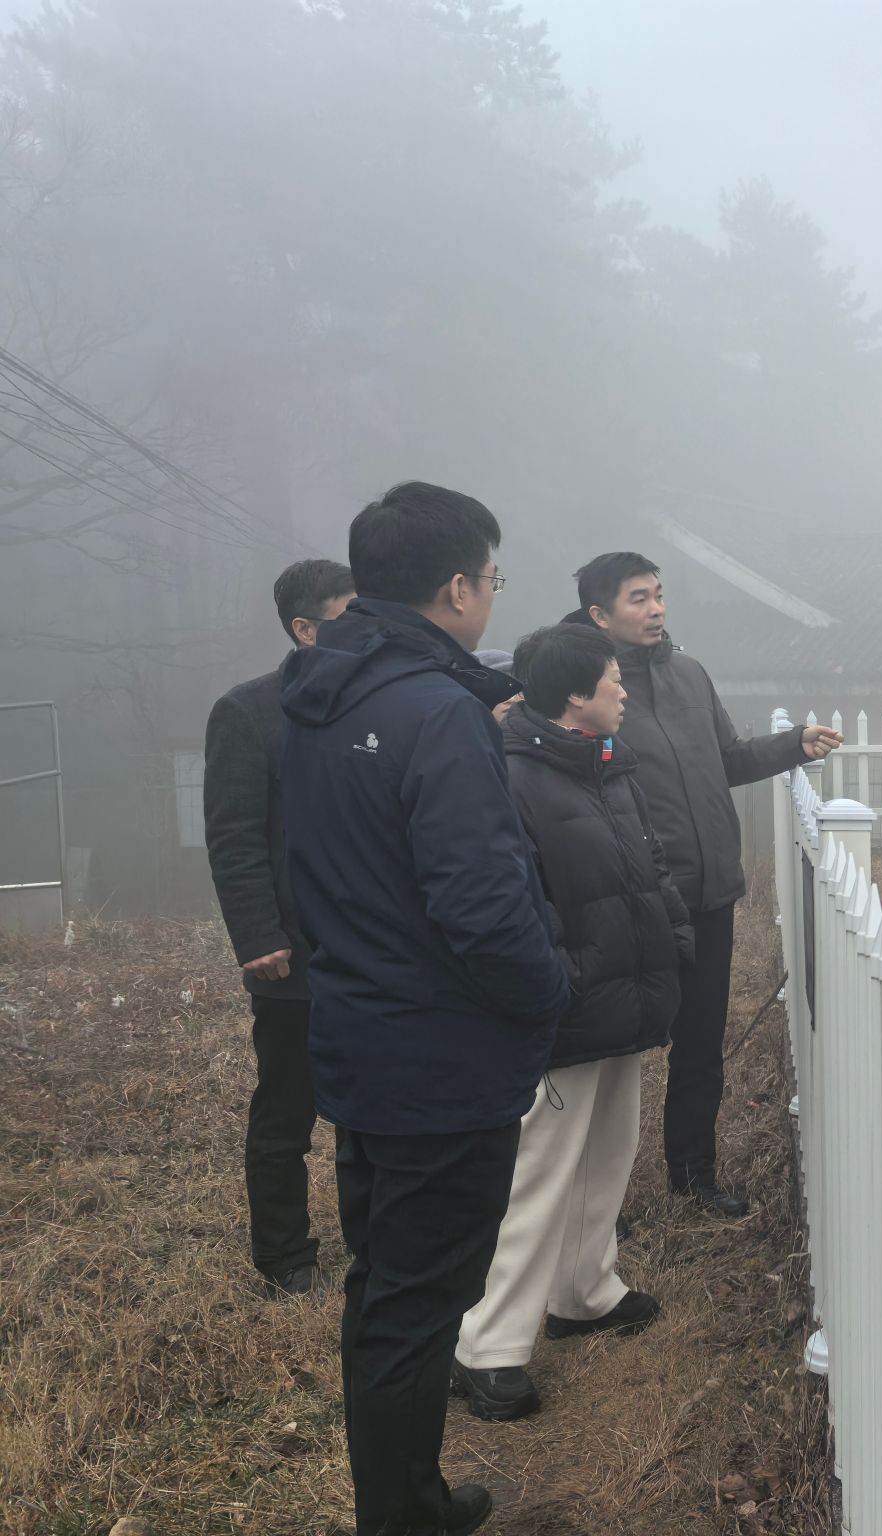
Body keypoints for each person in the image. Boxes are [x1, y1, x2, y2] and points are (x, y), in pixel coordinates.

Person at [281, 482, 569, 1536]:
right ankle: (403, 1517)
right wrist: (549, 996)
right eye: (492, 578)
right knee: (419, 1303)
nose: (491, 595)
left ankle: (408, 1500)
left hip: (361, 1037)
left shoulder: (315, 696)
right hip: (441, 1061)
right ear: (456, 587)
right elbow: (482, 906)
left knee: (387, 1292)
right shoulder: (438, 712)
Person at [451, 624, 694, 1422]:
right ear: (574, 696)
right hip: (568, 1004)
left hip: (626, 994)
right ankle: (485, 1346)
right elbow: (513, 900)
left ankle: (584, 1292)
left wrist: (674, 938)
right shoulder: (512, 775)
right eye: (613, 678)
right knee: (540, 1172)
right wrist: (561, 980)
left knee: (607, 1150)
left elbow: (651, 865)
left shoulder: (607, 764)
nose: (625, 689)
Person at [565, 552, 840, 1216]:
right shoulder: (580, 687)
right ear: (599, 614)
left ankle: (695, 1178)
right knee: (608, 1051)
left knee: (700, 1045)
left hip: (709, 893)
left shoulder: (689, 673)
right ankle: (591, 1205)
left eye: (658, 595)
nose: (656, 608)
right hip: (633, 900)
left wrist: (792, 744)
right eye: (638, 598)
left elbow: (728, 759)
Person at [202, 557, 356, 1297]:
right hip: (293, 953)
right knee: (287, 1111)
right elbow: (234, 836)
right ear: (306, 628)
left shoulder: (374, 703)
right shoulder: (249, 712)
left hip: (371, 946)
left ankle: (373, 1236)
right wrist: (260, 934)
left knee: (372, 1107)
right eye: (350, 616)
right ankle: (285, 1257)